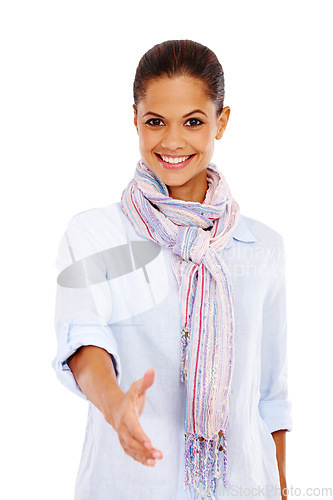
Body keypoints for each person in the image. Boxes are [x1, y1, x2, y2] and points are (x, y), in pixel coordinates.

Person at [53, 39, 293, 500]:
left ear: (221, 122)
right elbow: (83, 337)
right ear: (136, 120)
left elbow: (271, 397)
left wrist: (284, 491)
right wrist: (114, 402)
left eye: (194, 122)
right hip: (128, 486)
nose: (173, 141)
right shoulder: (96, 233)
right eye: (156, 121)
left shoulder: (263, 247)